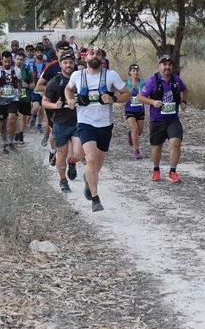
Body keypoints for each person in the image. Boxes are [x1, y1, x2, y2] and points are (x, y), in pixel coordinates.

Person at [64, 46, 130, 212]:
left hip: (105, 125)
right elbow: (68, 89)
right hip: (85, 123)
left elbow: (126, 94)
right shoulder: (77, 75)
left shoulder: (111, 75)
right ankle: (95, 198)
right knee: (91, 158)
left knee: (96, 166)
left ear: (103, 59)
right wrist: (70, 100)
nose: (95, 56)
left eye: (98, 54)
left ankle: (89, 182)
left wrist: (113, 98)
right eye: (91, 53)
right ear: (85, 58)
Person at [136, 54, 187, 183]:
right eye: (164, 65)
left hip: (173, 119)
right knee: (156, 147)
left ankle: (172, 172)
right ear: (159, 66)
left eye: (169, 65)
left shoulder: (176, 80)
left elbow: (184, 90)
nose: (167, 67)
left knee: (176, 143)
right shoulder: (153, 80)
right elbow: (140, 97)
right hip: (157, 120)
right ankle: (156, 170)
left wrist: (183, 101)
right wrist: (153, 102)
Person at [42, 51, 79, 193]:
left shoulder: (80, 79)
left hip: (78, 122)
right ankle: (63, 180)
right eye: (65, 62)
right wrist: (55, 106)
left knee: (80, 153)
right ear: (60, 64)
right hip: (61, 123)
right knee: (61, 155)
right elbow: (44, 102)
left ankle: (73, 162)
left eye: (70, 62)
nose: (68, 65)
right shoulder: (54, 82)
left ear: (74, 64)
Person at [0, 51, 23, 154]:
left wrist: (19, 91)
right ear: (2, 60)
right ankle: (4, 142)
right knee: (3, 122)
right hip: (1, 100)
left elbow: (19, 82)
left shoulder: (17, 71)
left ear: (12, 61)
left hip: (13, 99)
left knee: (12, 119)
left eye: (9, 61)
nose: (7, 64)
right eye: (5, 61)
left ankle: (11, 142)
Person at [123, 64, 146, 159]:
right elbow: (121, 94)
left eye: (137, 70)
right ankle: (136, 151)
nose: (135, 72)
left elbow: (147, 94)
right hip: (130, 110)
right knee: (135, 129)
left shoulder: (143, 83)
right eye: (133, 71)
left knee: (139, 132)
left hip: (140, 109)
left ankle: (131, 134)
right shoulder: (126, 84)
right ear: (130, 73)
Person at [14, 51, 33, 144]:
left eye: (21, 60)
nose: (19, 61)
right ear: (14, 59)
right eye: (17, 59)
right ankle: (17, 132)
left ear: (24, 61)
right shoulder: (11, 70)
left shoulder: (27, 70)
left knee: (24, 116)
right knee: (14, 115)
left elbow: (33, 85)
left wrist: (28, 85)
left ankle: (21, 132)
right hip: (13, 96)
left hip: (24, 96)